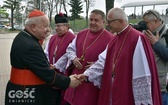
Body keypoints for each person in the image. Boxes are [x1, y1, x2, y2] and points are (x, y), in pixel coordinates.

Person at [77, 7, 162, 105]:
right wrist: (86, 75)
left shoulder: (137, 38)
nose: (107, 25)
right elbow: (102, 61)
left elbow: (142, 73)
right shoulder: (115, 39)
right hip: (114, 89)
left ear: (120, 21)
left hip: (128, 92)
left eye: (109, 21)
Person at [5, 9, 81, 105]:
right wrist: (68, 81)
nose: (49, 30)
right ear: (33, 27)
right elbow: (46, 74)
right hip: (27, 93)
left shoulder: (24, 37)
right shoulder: (30, 45)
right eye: (45, 26)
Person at [56, 9, 114, 105]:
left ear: (103, 22)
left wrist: (96, 64)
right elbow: (70, 49)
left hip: (92, 83)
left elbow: (112, 60)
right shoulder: (81, 34)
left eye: (96, 20)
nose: (92, 23)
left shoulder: (110, 39)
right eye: (91, 20)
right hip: (76, 78)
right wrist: (74, 59)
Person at [44, 12, 76, 105]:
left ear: (67, 26)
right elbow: (46, 52)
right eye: (56, 26)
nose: (56, 28)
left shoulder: (73, 38)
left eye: (59, 26)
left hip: (64, 73)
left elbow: (68, 54)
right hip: (52, 71)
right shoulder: (53, 38)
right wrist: (47, 63)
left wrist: (57, 65)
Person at [142, 9, 168, 105]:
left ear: (156, 21)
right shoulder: (148, 33)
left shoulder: (167, 33)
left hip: (162, 89)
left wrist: (156, 44)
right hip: (148, 85)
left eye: (147, 23)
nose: (145, 25)